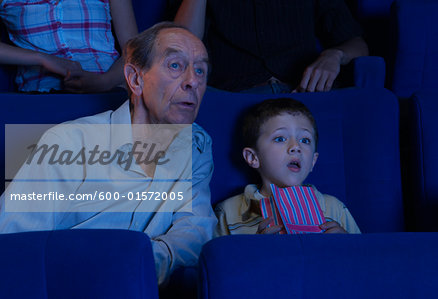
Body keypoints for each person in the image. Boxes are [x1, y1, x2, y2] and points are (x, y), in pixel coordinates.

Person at [0, 22, 216, 286]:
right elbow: (13, 244)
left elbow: (195, 230)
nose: (193, 81)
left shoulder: (199, 145)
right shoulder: (66, 143)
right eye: (175, 65)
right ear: (135, 79)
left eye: (201, 70)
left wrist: (141, 262)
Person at [215, 98, 360, 236]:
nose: (296, 147)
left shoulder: (335, 209)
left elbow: (365, 257)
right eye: (280, 139)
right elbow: (213, 260)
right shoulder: (227, 212)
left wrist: (345, 243)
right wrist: (256, 250)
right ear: (253, 157)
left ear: (313, 161)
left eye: (305, 140)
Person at [173, 0, 369, 93]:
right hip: (235, 96)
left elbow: (357, 44)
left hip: (302, 93)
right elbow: (182, 46)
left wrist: (334, 55)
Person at [0, 0, 138, 93]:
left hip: (109, 95)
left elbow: (135, 52)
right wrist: (42, 59)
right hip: (41, 97)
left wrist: (104, 82)